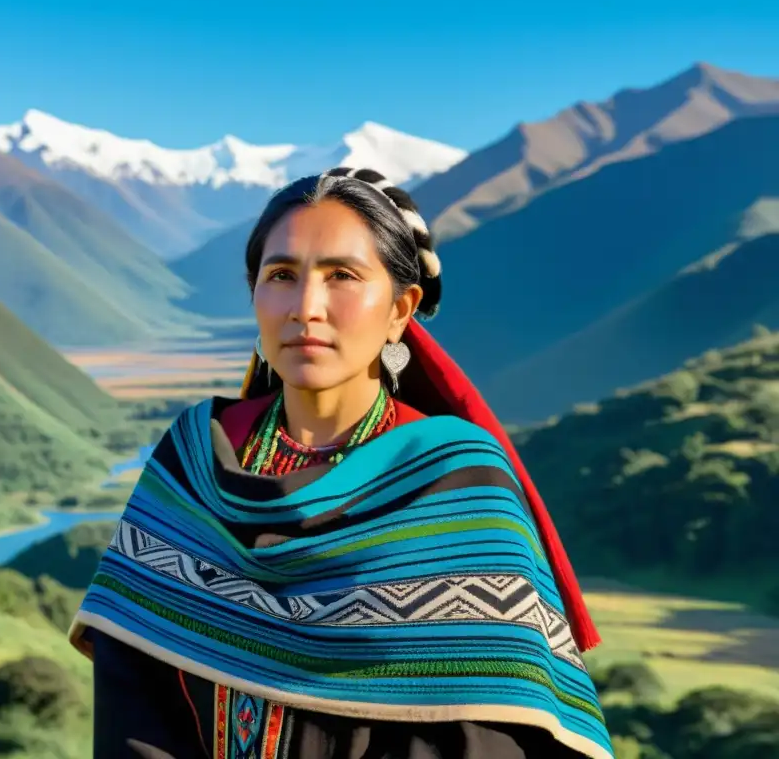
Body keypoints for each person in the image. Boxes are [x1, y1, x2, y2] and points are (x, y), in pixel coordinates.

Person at [68, 168, 614, 759]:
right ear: (254, 294)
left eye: (342, 276)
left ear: (400, 309)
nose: (306, 306)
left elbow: (488, 729)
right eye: (281, 275)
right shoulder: (195, 457)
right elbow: (135, 698)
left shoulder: (458, 480)